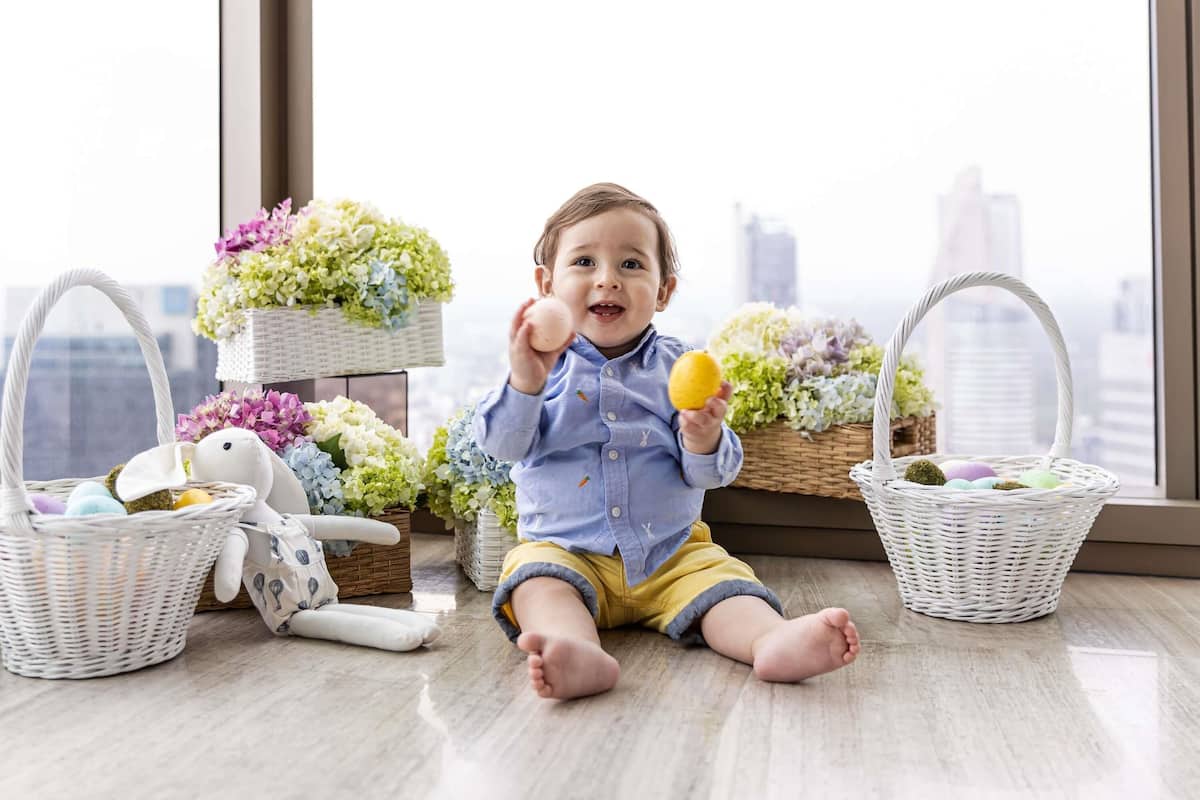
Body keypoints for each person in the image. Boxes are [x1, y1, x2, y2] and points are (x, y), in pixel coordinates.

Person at [474, 183, 860, 700]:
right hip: (567, 554)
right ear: (546, 285)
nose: (607, 279)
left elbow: (713, 474)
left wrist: (703, 437)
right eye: (584, 261)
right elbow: (503, 445)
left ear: (663, 291)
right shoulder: (540, 370)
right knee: (534, 582)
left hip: (671, 556)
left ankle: (772, 639)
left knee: (723, 585)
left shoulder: (681, 369)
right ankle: (577, 651)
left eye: (631, 265)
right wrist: (524, 382)